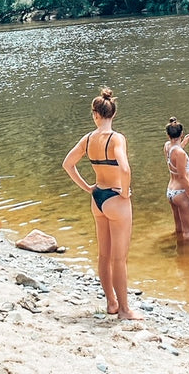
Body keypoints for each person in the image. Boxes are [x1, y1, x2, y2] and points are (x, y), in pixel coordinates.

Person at [62, 87, 143, 320]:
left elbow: (68, 164)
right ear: (113, 114)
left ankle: (111, 303)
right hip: (116, 199)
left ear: (95, 114)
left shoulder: (88, 139)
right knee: (119, 258)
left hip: (97, 198)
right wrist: (125, 192)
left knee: (103, 256)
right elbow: (125, 168)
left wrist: (87, 187)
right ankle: (125, 310)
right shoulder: (116, 138)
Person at [164, 117, 189, 240]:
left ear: (168, 135)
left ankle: (179, 253)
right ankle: (187, 258)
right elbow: (183, 178)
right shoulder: (181, 154)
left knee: (179, 229)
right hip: (181, 193)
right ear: (181, 133)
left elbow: (175, 156)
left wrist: (184, 143)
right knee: (188, 233)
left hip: (171, 191)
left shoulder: (167, 147)